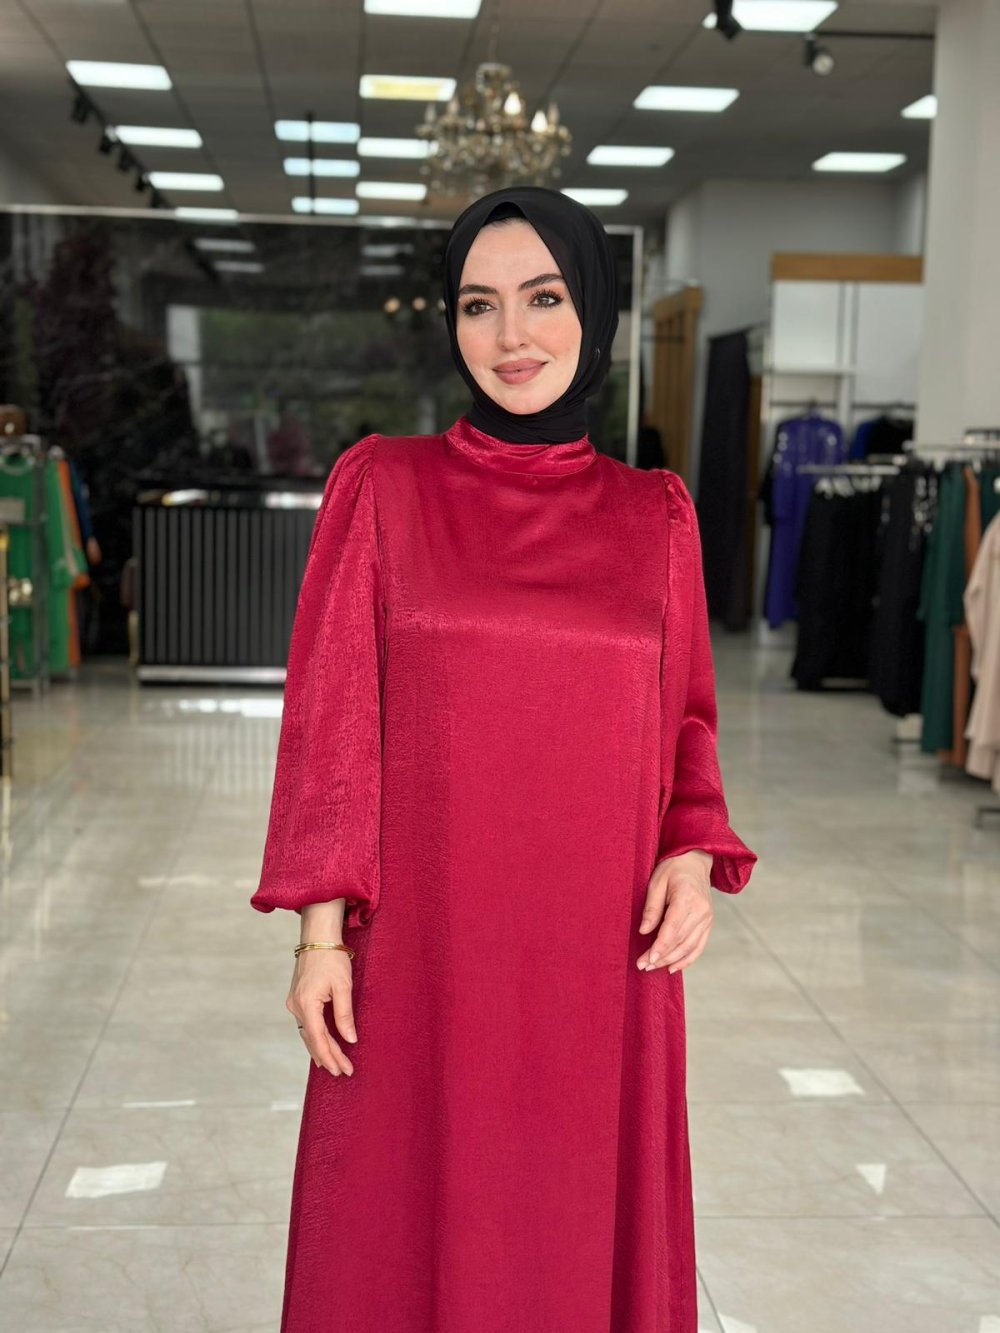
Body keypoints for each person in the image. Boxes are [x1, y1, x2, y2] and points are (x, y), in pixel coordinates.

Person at [250, 185, 756, 1333]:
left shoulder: (655, 513)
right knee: (399, 1223)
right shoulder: (384, 485)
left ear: (594, 312)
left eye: (543, 298)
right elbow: (334, 727)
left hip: (597, 956)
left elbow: (687, 720)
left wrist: (690, 852)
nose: (511, 334)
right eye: (478, 304)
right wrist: (319, 939)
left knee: (571, 1221)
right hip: (423, 950)